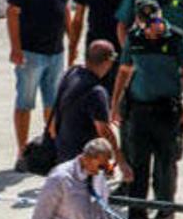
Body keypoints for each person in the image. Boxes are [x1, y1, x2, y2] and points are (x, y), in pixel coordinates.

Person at [115, 0, 183, 201]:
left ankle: (164, 202)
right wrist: (131, 56)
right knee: (133, 140)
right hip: (141, 78)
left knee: (167, 153)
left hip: (171, 76)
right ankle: (131, 188)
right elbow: (122, 24)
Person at [110, 0, 183, 219]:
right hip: (139, 109)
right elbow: (124, 70)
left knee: (165, 164)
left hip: (167, 110)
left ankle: (164, 209)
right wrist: (115, 103)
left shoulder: (176, 38)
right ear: (138, 21)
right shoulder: (134, 38)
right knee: (138, 164)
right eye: (146, 22)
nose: (152, 27)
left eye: (155, 21)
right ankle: (137, 215)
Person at [7, 0, 75, 168]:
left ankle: (52, 149)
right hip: (31, 53)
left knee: (53, 104)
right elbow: (12, 12)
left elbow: (65, 8)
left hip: (56, 51)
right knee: (25, 102)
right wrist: (16, 48)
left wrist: (72, 42)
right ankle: (22, 152)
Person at [50, 40, 133, 183]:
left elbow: (54, 118)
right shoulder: (96, 92)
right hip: (86, 162)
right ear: (108, 62)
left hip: (63, 156)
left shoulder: (71, 73)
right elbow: (104, 131)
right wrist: (122, 163)